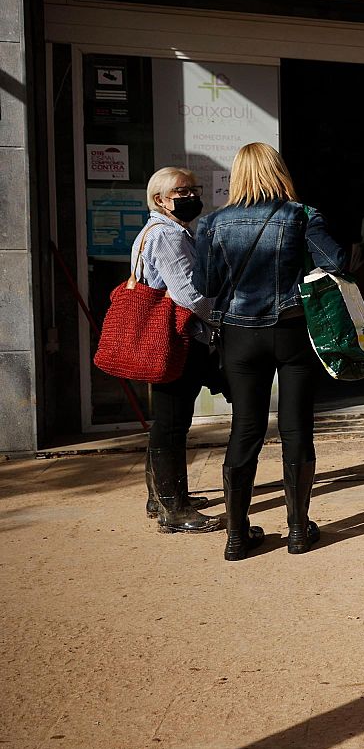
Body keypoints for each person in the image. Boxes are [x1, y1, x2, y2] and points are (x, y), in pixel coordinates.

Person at [196, 143, 345, 561]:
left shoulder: (213, 223)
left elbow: (207, 286)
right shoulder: (300, 215)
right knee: (296, 430)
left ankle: (237, 535)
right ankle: (298, 531)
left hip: (240, 336)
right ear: (279, 171)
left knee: (245, 429)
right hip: (290, 330)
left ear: (238, 175)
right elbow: (336, 261)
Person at [134, 166, 220, 535]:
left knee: (169, 421)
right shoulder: (167, 236)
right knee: (171, 423)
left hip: (171, 336)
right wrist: (222, 317)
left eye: (193, 190)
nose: (191, 197)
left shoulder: (161, 231)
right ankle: (175, 508)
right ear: (159, 200)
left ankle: (161, 497)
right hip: (176, 338)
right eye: (181, 193)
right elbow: (189, 294)